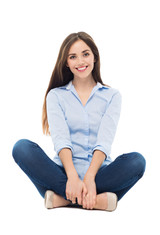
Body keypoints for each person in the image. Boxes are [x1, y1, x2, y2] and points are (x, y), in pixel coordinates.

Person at [12, 31, 146, 211]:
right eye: (73, 57)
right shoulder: (56, 96)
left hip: (100, 175)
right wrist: (73, 177)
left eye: (85, 54)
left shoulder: (112, 96)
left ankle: (64, 200)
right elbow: (61, 139)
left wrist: (89, 178)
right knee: (22, 148)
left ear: (94, 57)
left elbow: (104, 141)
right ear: (66, 63)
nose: (81, 61)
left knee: (137, 161)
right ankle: (96, 200)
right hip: (62, 174)